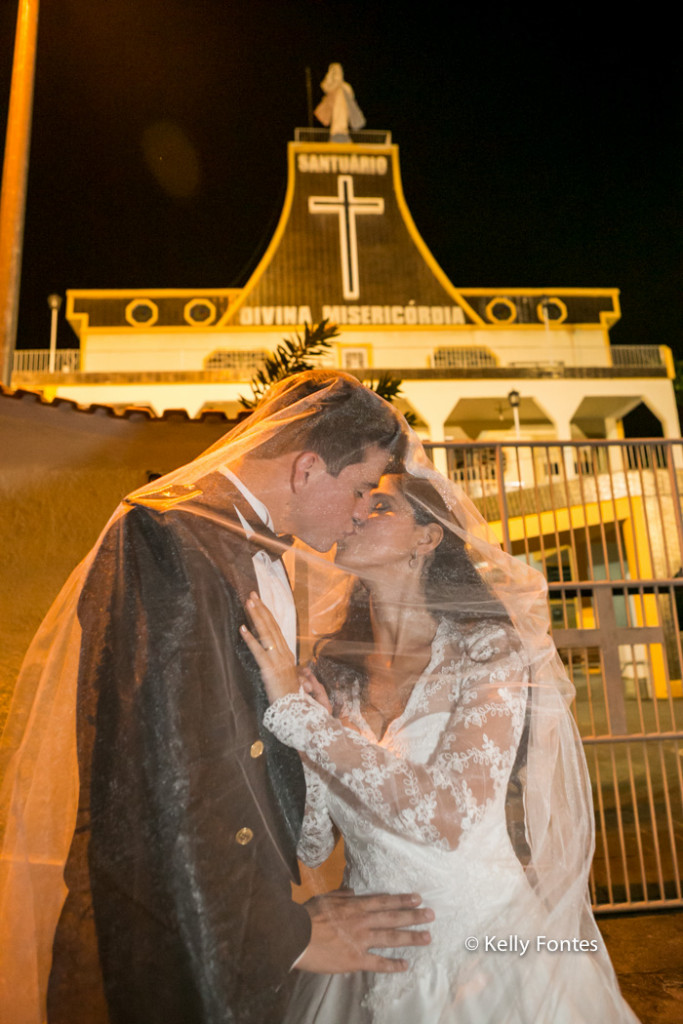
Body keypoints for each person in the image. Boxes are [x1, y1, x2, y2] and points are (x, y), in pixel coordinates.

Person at [0, 370, 434, 1024]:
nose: (358, 511)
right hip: (184, 924)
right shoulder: (168, 538)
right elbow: (181, 776)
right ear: (306, 468)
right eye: (359, 488)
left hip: (239, 906)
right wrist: (289, 934)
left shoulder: (251, 546)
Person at [243, 456, 641, 1022]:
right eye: (360, 500)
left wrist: (299, 717)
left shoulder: (489, 652)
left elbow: (448, 815)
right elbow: (312, 846)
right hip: (369, 953)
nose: (356, 515)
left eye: (379, 506)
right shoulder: (332, 670)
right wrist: (310, 743)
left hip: (487, 954)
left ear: (427, 539)